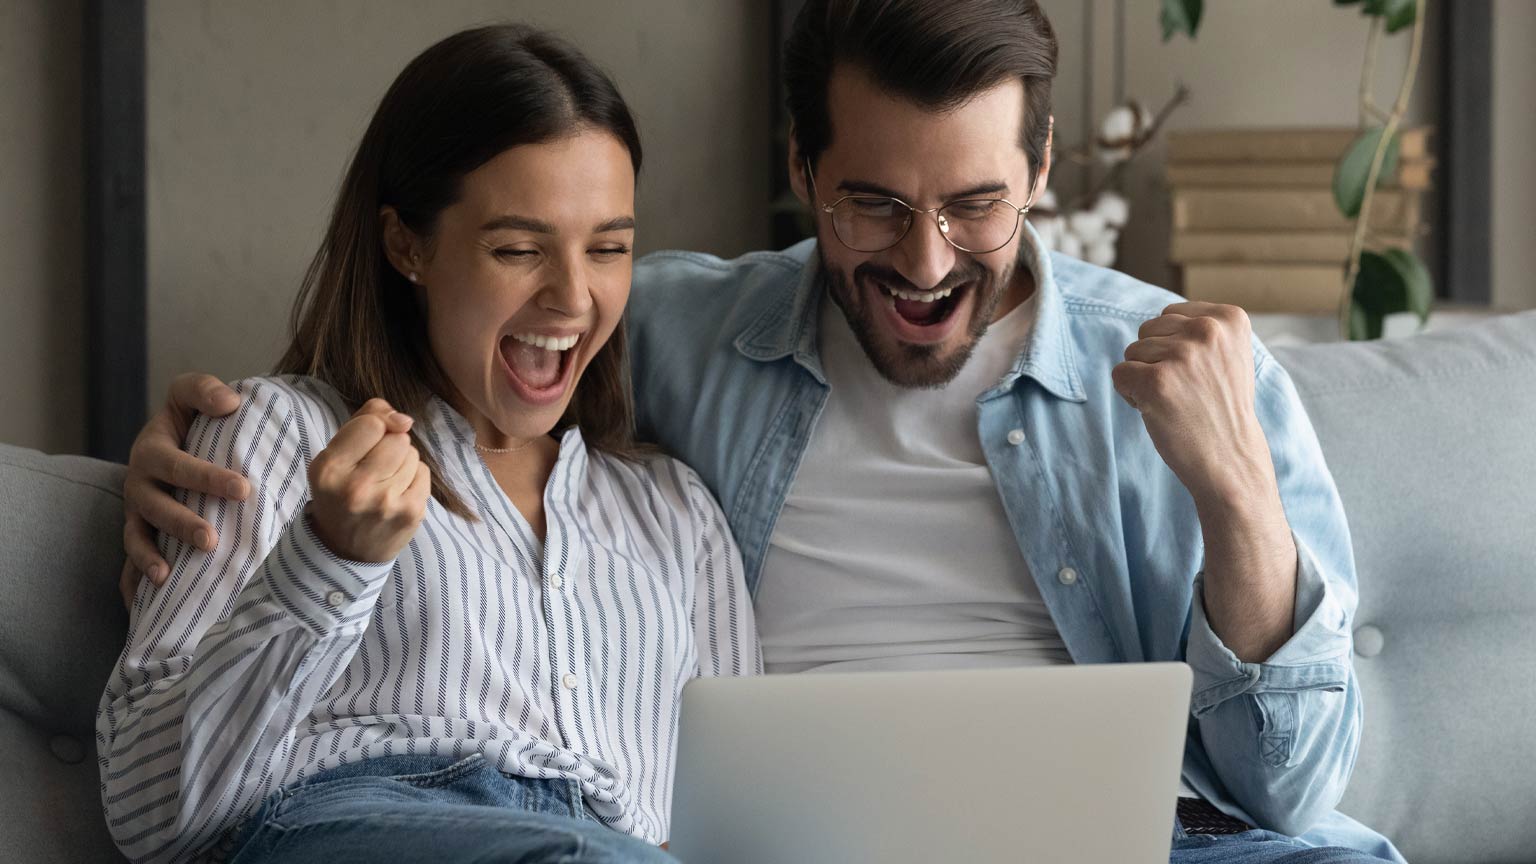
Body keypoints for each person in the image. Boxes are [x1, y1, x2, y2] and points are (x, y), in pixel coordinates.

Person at [121, 2, 1401, 861]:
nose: (925, 261)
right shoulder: (675, 329)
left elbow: (1289, 789)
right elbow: (441, 344)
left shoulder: (1193, 369)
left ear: (1046, 166)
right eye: (874, 205)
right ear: (800, 169)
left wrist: (1238, 495)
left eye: (975, 206)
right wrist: (241, 476)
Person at [98, 24, 757, 864]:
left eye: (609, 249)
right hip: (356, 822)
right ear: (408, 244)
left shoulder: (676, 514)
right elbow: (146, 806)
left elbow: (746, 807)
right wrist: (329, 561)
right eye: (518, 248)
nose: (572, 296)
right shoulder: (274, 432)